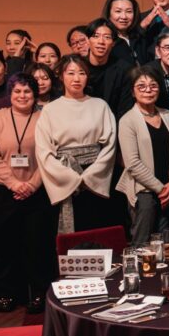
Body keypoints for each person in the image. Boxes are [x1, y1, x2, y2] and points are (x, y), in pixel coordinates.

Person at [0, 73, 53, 313]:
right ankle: (6, 293)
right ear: (10, 94)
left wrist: (32, 184)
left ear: (35, 94)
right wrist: (13, 183)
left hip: (36, 192)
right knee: (5, 244)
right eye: (17, 91)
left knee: (37, 244)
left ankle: (38, 293)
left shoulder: (45, 119)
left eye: (27, 91)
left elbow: (50, 155)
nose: (22, 96)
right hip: (2, 192)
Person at [37, 55, 121, 234]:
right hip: (64, 176)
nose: (76, 78)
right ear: (61, 76)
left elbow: (110, 146)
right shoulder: (50, 110)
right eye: (71, 73)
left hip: (95, 176)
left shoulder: (100, 106)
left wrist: (89, 176)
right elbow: (43, 150)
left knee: (97, 232)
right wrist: (70, 177)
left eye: (81, 73)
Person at [116, 66, 169, 244]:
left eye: (153, 86)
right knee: (142, 244)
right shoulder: (127, 120)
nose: (148, 90)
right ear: (133, 91)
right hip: (144, 192)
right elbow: (132, 163)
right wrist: (161, 189)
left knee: (168, 244)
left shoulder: (168, 116)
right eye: (141, 86)